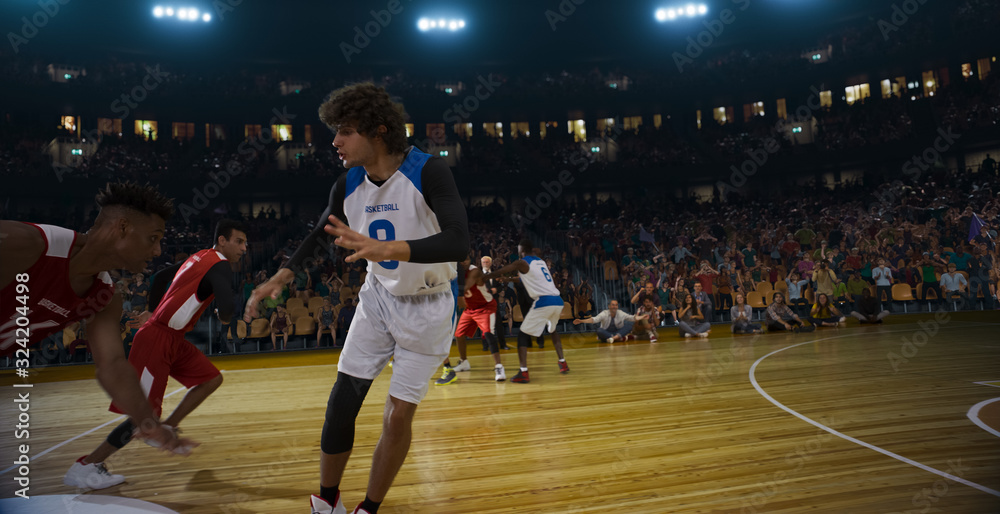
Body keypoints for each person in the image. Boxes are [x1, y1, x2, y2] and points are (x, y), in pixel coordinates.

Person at [243, 83, 469, 514]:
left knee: (398, 416)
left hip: (430, 303)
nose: (335, 141)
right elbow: (319, 233)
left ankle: (370, 507)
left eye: (345, 131)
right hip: (379, 297)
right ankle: (327, 500)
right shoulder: (347, 183)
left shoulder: (429, 172)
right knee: (343, 398)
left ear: (377, 131)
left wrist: (389, 248)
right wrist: (282, 275)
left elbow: (458, 242)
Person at [0, 182, 190, 465]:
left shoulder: (105, 298)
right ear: (123, 228)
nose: (158, 251)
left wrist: (148, 424)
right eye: (153, 238)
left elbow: (113, 366)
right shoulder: (27, 244)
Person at [63, 219, 247, 489]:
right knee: (142, 417)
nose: (244, 248)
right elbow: (228, 304)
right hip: (157, 339)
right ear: (222, 240)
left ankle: (170, 425)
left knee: (211, 379)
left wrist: (151, 308)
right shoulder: (220, 264)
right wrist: (225, 316)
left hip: (173, 338)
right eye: (239, 241)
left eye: (245, 243)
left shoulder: (198, 257)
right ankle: (88, 464)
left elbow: (160, 277)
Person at [483, 239, 570, 383]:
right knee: (553, 330)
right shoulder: (540, 262)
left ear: (522, 250)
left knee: (522, 335)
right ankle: (562, 362)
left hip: (544, 301)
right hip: (557, 301)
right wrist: (507, 279)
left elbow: (506, 268)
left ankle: (523, 372)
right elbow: (524, 279)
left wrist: (487, 276)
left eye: (518, 250)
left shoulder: (522, 262)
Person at [436, 254, 506, 384]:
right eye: (461, 260)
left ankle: (499, 367)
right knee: (459, 335)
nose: (463, 262)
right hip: (470, 309)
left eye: (466, 260)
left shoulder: (474, 271)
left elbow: (465, 287)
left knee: (488, 334)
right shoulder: (455, 272)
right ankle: (464, 362)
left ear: (470, 261)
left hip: (485, 307)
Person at [573, 299, 646, 343]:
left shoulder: (620, 313)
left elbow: (632, 318)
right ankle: (618, 338)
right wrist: (581, 321)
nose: (615, 307)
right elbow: (594, 320)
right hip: (607, 332)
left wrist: (642, 317)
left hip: (617, 332)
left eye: (616, 305)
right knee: (599, 330)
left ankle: (613, 339)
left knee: (629, 326)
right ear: (609, 306)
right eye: (613, 305)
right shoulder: (604, 313)